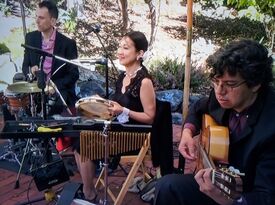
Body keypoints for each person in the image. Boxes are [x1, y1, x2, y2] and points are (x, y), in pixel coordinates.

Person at [154, 39, 275, 205]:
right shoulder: (222, 97)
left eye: (229, 84)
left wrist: (233, 201)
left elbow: (267, 197)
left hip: (245, 196)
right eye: (216, 82)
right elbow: (198, 108)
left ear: (255, 85)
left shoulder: (270, 128)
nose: (219, 91)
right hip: (215, 181)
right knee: (167, 186)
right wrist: (188, 133)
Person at [73, 30, 156, 202]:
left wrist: (123, 111)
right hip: (118, 129)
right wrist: (101, 102)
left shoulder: (144, 82)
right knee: (79, 140)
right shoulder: (122, 77)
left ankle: (89, 194)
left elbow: (150, 117)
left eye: (125, 48)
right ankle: (89, 190)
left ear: (140, 53)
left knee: (84, 146)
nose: (120, 51)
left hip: (134, 136)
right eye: (119, 47)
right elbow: (118, 105)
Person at [22, 0, 79, 117]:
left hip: (58, 92)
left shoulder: (67, 44)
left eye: (41, 18)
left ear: (53, 21)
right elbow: (25, 66)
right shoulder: (30, 38)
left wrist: (55, 85)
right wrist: (30, 71)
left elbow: (73, 74)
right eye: (36, 16)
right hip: (37, 89)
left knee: (54, 116)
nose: (37, 21)